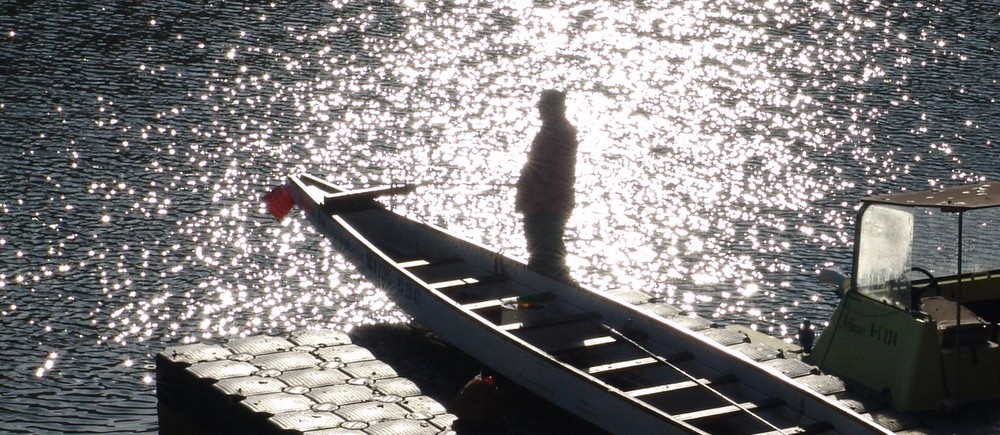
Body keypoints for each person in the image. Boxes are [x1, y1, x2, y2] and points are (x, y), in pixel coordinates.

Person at [515, 89, 578, 282]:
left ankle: (551, 292)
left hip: (546, 204)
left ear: (555, 108)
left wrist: (526, 196)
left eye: (543, 106)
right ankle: (544, 288)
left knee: (545, 254)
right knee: (543, 251)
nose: (539, 110)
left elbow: (544, 172)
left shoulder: (556, 133)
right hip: (548, 202)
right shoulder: (559, 131)